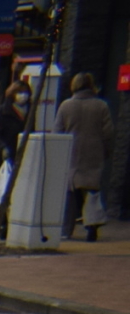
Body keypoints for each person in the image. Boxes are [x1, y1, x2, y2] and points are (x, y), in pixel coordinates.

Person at [56, 72, 114, 241]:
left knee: (70, 193)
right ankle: (92, 226)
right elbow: (108, 132)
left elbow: (58, 131)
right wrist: (107, 151)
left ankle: (66, 230)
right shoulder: (101, 106)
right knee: (92, 191)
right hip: (93, 152)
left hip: (71, 153)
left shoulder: (65, 106)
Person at [0, 79, 31, 243]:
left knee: (12, 195)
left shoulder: (30, 112)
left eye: (25, 93)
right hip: (3, 160)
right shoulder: (2, 112)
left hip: (22, 159)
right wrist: (3, 149)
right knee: (4, 193)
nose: (23, 96)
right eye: (19, 93)